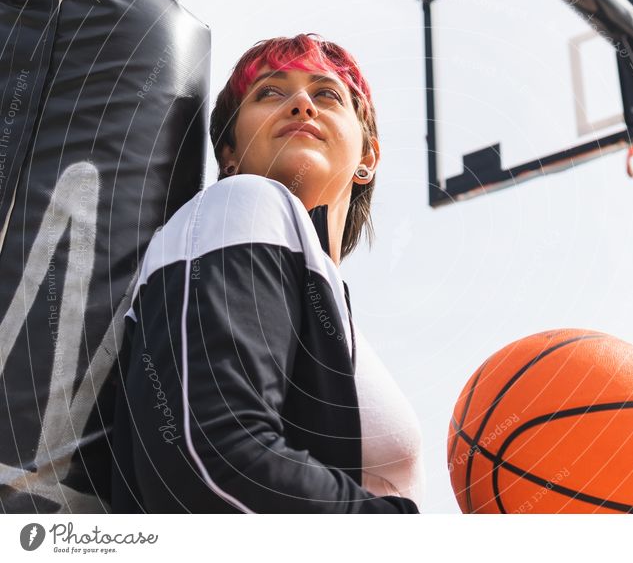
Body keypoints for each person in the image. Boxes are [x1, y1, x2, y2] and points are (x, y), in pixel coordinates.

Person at [111, 34, 424, 513]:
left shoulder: (332, 304)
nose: (301, 103)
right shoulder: (244, 201)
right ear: (229, 155)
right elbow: (213, 458)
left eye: (327, 94)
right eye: (270, 93)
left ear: (367, 158)